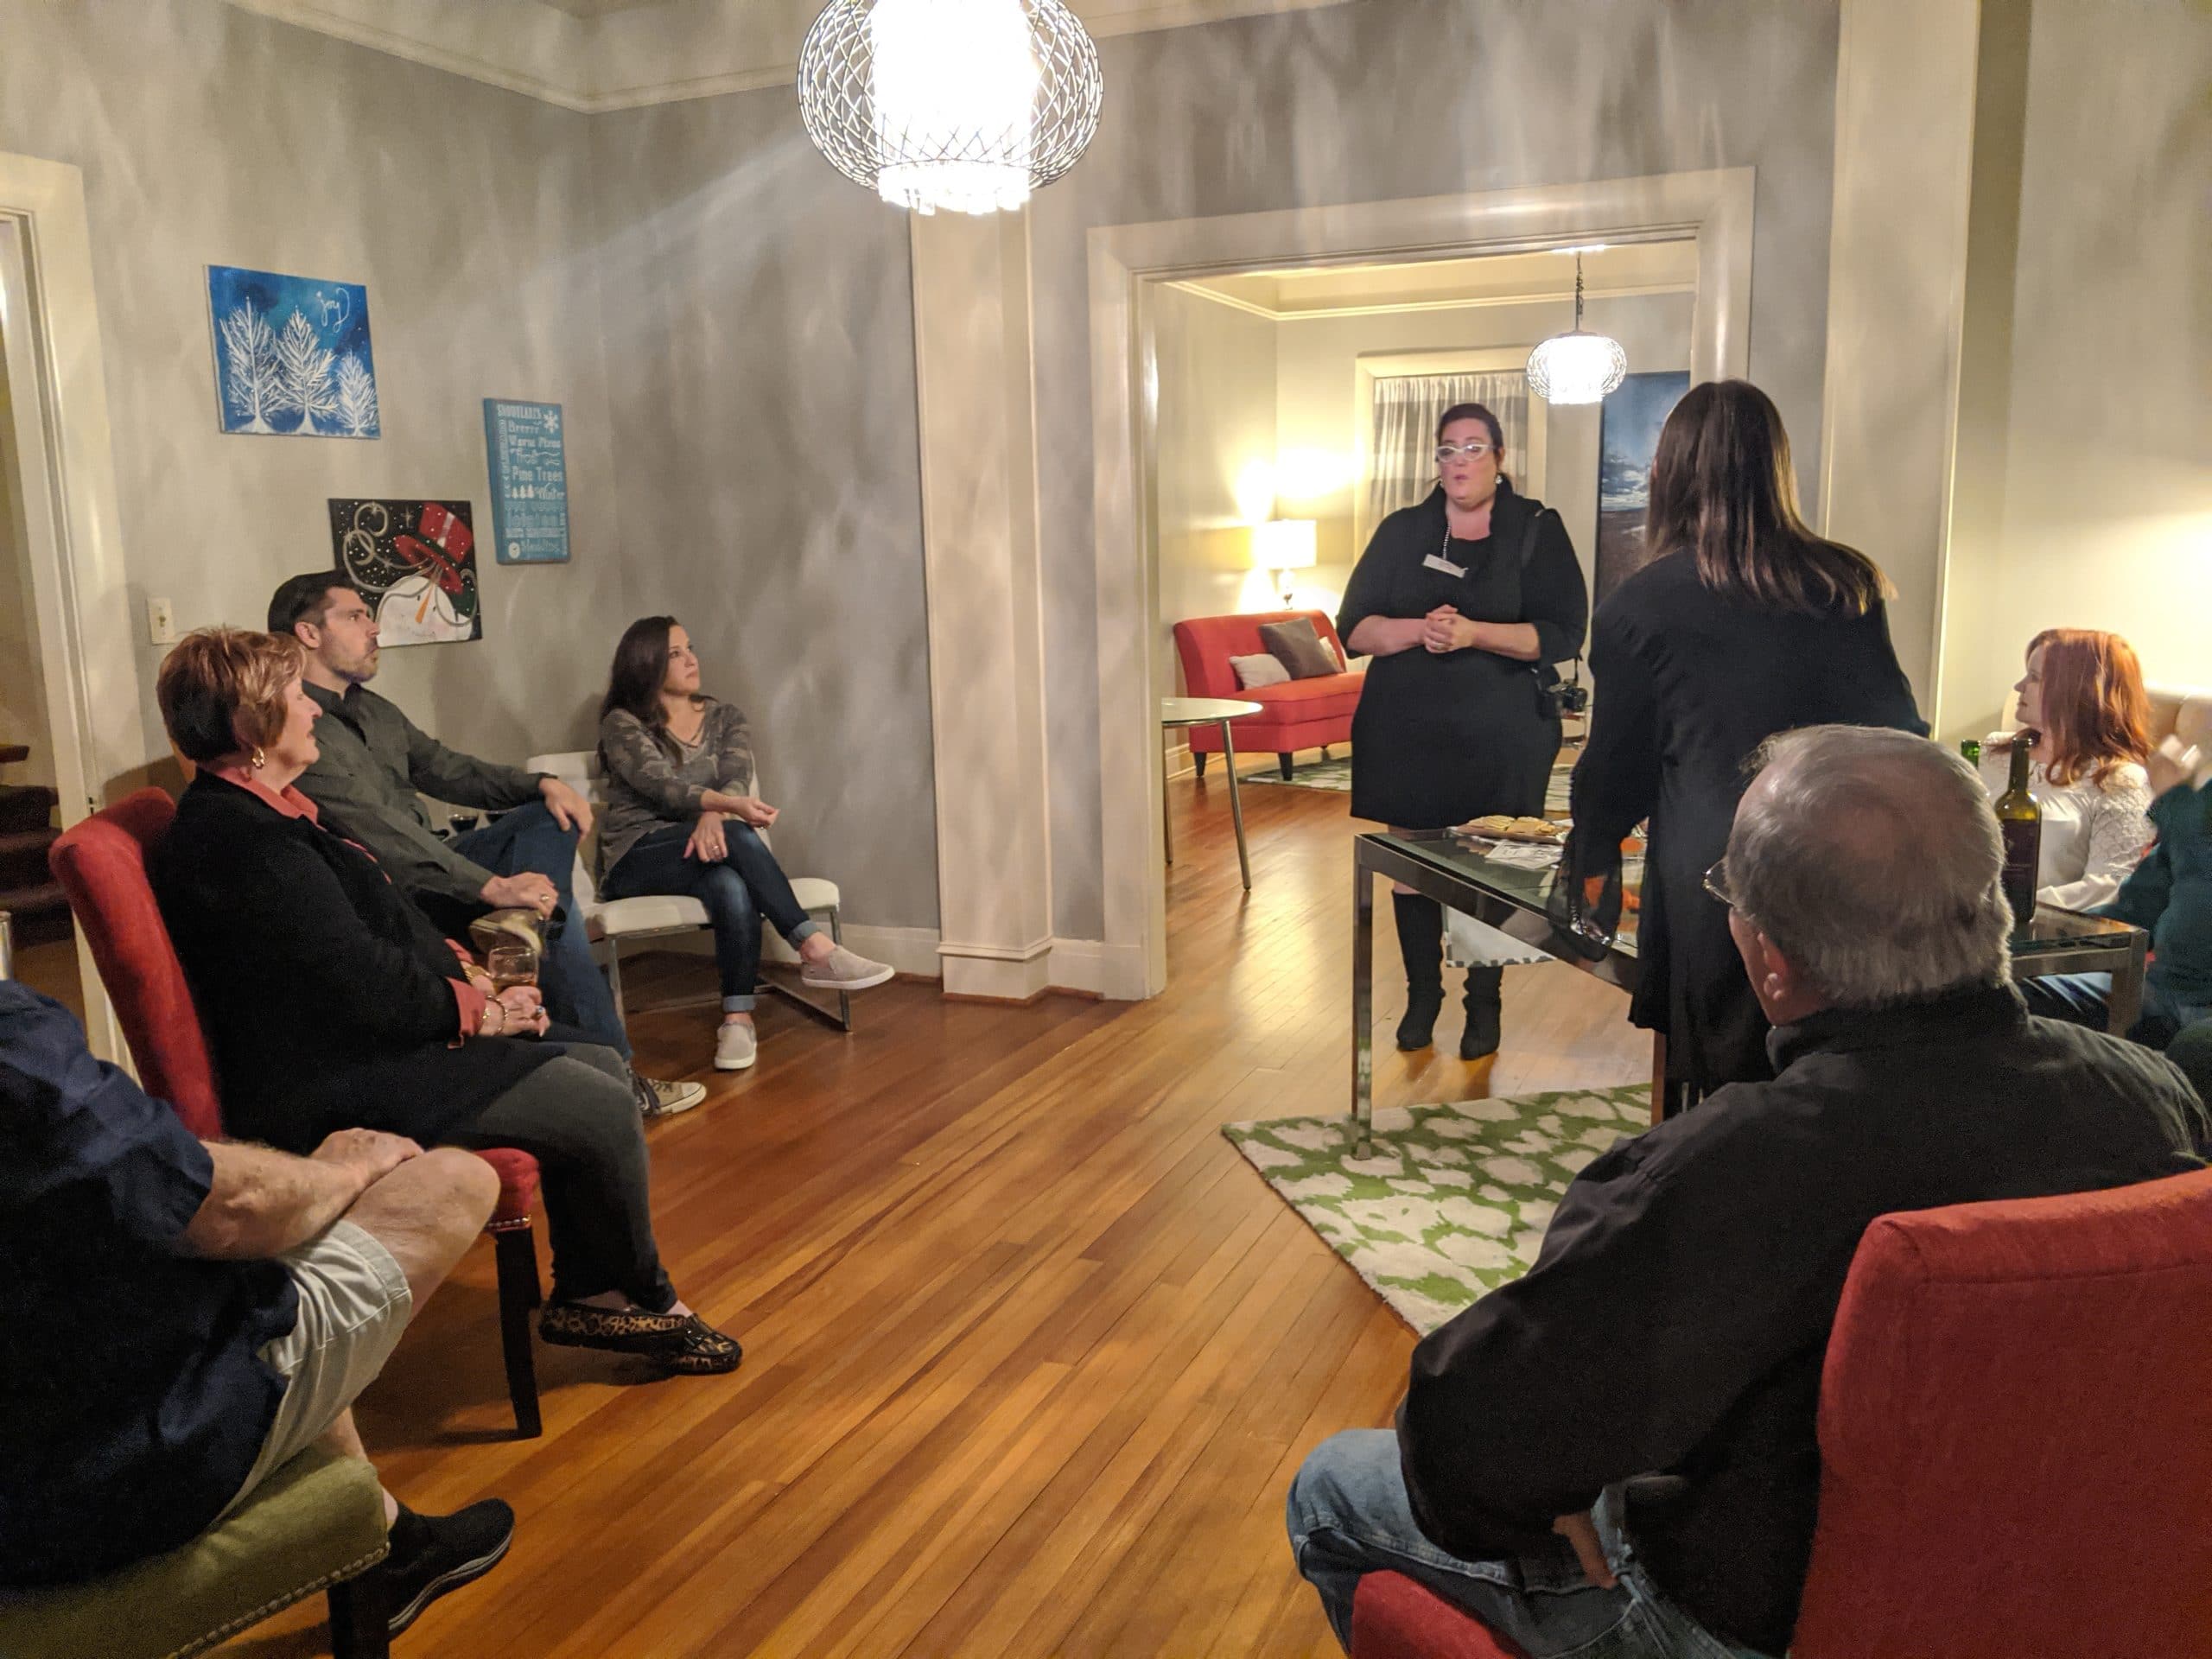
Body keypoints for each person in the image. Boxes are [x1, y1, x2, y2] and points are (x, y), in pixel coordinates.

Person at [1287, 726, 2207, 1659]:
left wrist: (1531, 1496)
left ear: (1769, 956)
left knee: (1331, 1483)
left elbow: (1475, 1437)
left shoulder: (1722, 1172)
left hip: (1771, 1620)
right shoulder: (2152, 1097)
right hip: (2084, 1586)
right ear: (1989, 903)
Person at [149, 628, 740, 1375]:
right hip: (332, 1076)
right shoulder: (242, 840)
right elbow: (361, 983)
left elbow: (378, 932)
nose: (312, 712)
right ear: (252, 729)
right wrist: (481, 1012)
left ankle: (593, 1288)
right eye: (297, 698)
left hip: (365, 1043)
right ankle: (632, 1299)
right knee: (598, 1102)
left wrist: (474, 977)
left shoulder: (271, 811)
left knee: (597, 1063)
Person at [0, 981, 513, 1635]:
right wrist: (345, 1172)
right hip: (90, 1486)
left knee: (241, 1255)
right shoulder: (11, 1043)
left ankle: (386, 1534)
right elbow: (227, 1210)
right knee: (455, 1179)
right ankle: (386, 1549)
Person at [1565, 379, 1925, 1104]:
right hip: (1849, 857)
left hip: (1719, 875)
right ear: (1776, 468)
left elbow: (1617, 770)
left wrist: (1590, 848)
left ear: (1671, 474)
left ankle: (1701, 1196)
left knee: (1724, 1075)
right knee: (1842, 1067)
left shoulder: (1640, 604)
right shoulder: (1846, 582)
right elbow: (1901, 732)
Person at [266, 573, 703, 1120]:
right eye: (355, 616)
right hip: (398, 888)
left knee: (548, 818)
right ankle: (612, 1060)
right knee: (554, 916)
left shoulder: (374, 710)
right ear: (308, 633)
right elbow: (383, 836)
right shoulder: (298, 727)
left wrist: (539, 782)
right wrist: (493, 886)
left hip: (444, 857)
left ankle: (525, 927)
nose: (374, 627)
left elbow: (450, 770)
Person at [1337, 403, 1590, 1059]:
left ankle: (1485, 1005)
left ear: (1500, 457)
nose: (1459, 462)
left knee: (1491, 871)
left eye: (1474, 448)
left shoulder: (1535, 528)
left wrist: (1475, 633)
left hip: (1501, 734)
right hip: (1405, 729)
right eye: (1448, 450)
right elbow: (1354, 625)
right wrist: (1419, 629)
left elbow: (1562, 633)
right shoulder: (1402, 530)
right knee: (1411, 867)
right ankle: (1423, 996)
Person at [595, 617, 893, 1073]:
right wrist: (725, 811)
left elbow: (736, 776)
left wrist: (715, 812)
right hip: (638, 855)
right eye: (676, 653)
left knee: (731, 885)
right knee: (738, 834)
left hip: (703, 851)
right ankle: (813, 948)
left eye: (690, 647)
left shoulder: (725, 717)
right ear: (646, 661)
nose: (692, 659)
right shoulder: (623, 725)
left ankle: (736, 1017)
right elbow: (662, 788)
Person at [2023, 740, 2210, 1055]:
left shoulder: (2186, 809)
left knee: (2196, 1049)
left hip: (2203, 1013)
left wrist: (2174, 800)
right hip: (2159, 990)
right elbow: (2141, 904)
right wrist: (2059, 930)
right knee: (2013, 996)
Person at [1976, 628, 2153, 909]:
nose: (2019, 686)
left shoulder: (2119, 780)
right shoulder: (1992, 751)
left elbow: (2108, 886)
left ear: (2077, 690)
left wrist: (2010, 910)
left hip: (2041, 933)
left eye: (2034, 678)